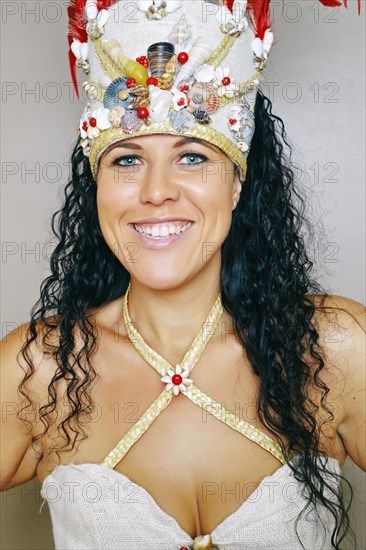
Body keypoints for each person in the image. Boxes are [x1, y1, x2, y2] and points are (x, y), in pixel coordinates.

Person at [1, 0, 364, 549]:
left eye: (192, 156)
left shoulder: (334, 348)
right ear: (96, 185)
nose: (155, 191)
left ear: (238, 181)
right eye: (126, 159)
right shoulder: (38, 372)